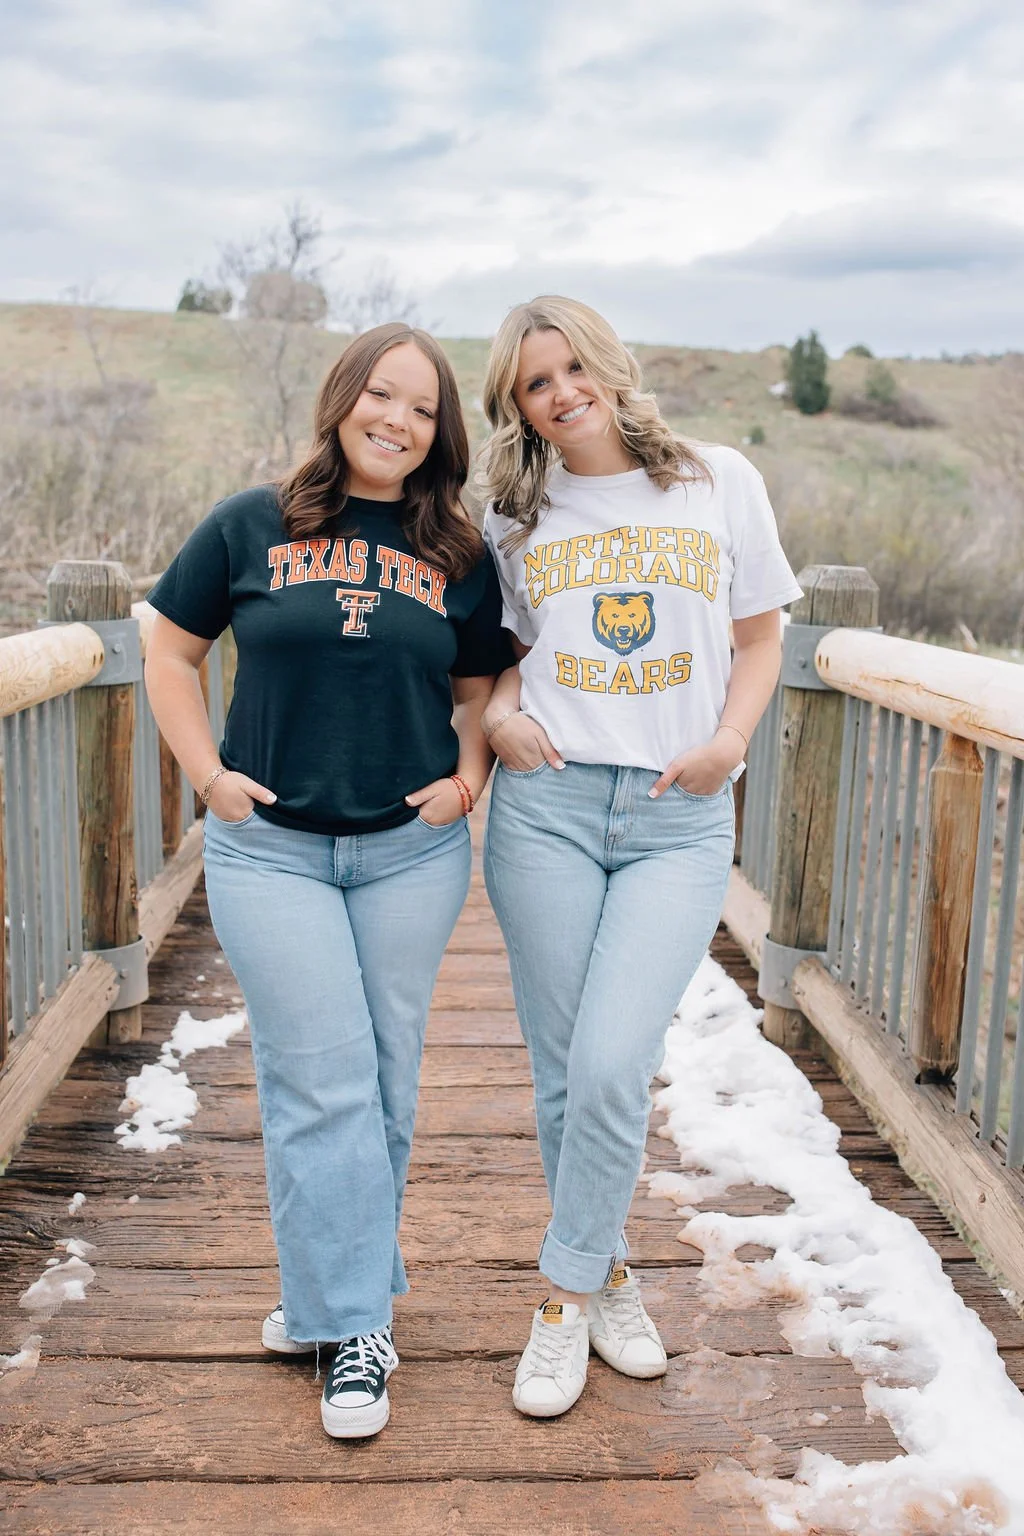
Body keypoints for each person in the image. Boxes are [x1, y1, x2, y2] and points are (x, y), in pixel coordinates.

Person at [144, 323, 511, 1440]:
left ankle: (327, 1296)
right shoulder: (250, 523)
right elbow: (168, 647)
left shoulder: (456, 547)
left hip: (409, 850)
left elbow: (480, 678)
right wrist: (206, 774)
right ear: (342, 398)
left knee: (385, 1078)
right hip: (272, 850)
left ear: (439, 431)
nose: (395, 421)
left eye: (419, 407)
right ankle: (355, 1327)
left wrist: (468, 778)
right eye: (379, 395)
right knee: (322, 1077)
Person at [478, 296, 802, 1418]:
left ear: (607, 367)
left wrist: (729, 740)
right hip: (548, 807)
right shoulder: (515, 516)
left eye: (573, 368)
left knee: (616, 1060)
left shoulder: (717, 479)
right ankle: (606, 1274)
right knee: (570, 1073)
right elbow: (512, 657)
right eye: (535, 382)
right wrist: (501, 718)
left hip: (676, 815)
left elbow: (760, 635)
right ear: (515, 404)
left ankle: (559, 1295)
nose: (562, 392)